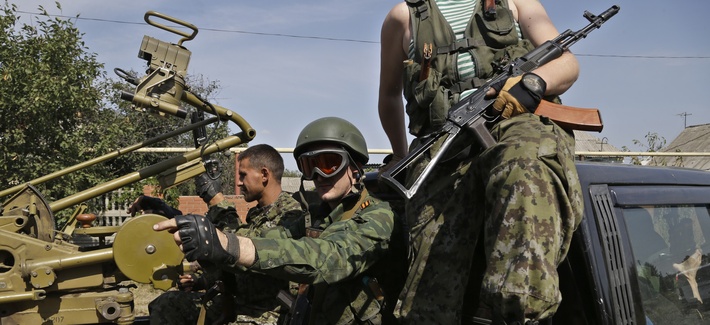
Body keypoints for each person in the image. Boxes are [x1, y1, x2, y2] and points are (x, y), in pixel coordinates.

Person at [378, 1, 584, 324]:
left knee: (524, 168)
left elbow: (567, 64)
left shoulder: (515, 3)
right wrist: (403, 159)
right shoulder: (402, 17)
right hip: (443, 147)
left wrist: (533, 83)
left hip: (514, 121)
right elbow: (389, 95)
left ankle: (522, 309)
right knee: (427, 295)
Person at [154, 117, 407, 324]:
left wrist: (226, 244)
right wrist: (212, 238)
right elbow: (264, 240)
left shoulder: (378, 216)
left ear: (354, 167)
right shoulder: (316, 218)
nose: (318, 175)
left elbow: (329, 257)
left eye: (329, 164)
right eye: (309, 166)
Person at [146, 144, 307, 325]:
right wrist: (200, 282)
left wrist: (217, 200)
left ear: (264, 175)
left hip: (266, 312)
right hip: (238, 302)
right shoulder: (258, 213)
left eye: (243, 175)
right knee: (167, 304)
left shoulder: (291, 215)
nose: (238, 182)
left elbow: (245, 252)